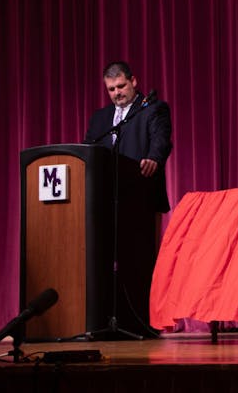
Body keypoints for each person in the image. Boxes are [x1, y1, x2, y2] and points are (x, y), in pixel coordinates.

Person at [84, 61, 173, 335]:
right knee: (103, 261)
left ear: (133, 81)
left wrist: (154, 159)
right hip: (105, 202)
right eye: (111, 89)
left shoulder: (152, 108)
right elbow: (88, 150)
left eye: (121, 86)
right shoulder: (100, 118)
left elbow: (161, 140)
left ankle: (140, 324)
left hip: (140, 197)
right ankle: (105, 320)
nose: (116, 93)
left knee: (138, 263)